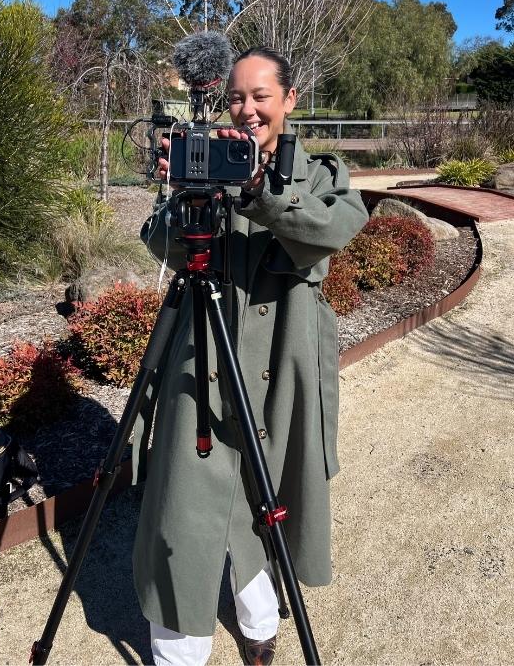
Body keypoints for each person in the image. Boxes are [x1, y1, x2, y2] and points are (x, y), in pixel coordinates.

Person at [134, 46, 368, 666]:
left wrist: (260, 192)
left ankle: (259, 621)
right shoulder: (202, 163)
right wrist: (182, 193)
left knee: (268, 496)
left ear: (289, 100)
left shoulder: (318, 174)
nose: (248, 109)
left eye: (261, 96)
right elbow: (166, 249)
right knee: (182, 505)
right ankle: (179, 649)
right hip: (203, 360)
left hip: (282, 366)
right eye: (238, 96)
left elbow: (336, 229)